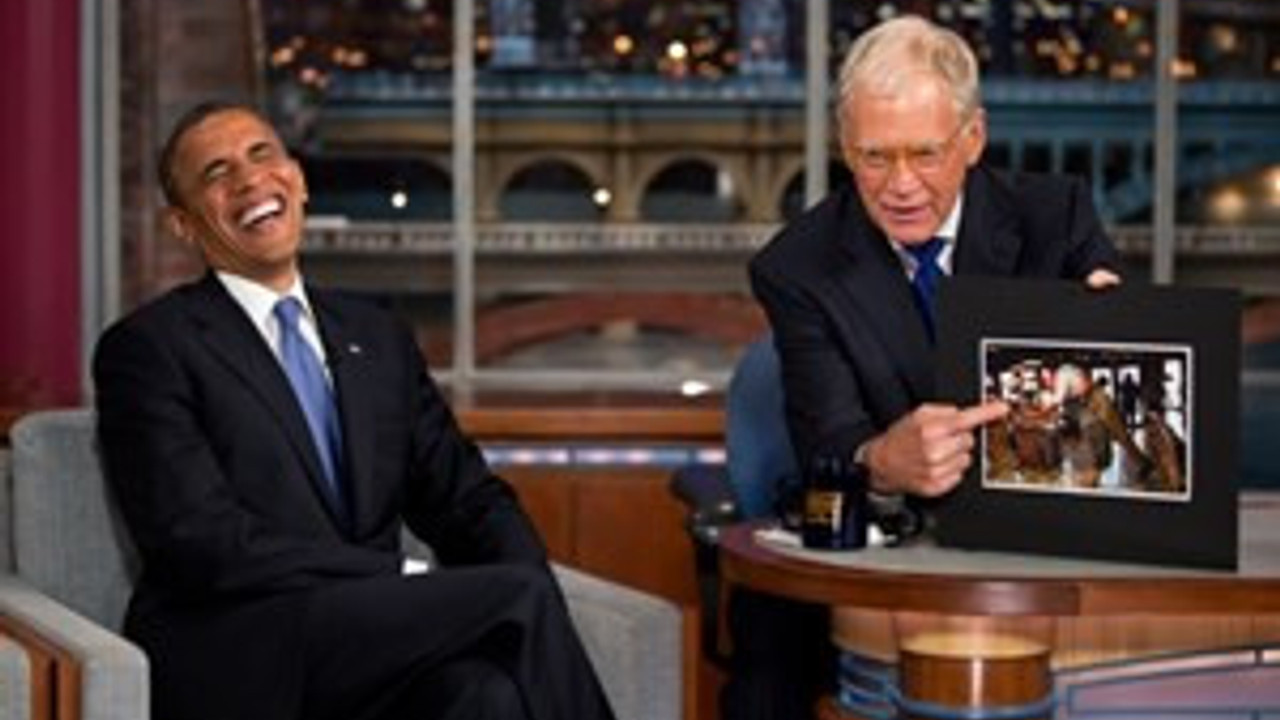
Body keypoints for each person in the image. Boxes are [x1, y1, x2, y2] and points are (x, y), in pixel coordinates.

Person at [93, 101, 617, 720]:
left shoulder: (377, 334)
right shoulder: (149, 347)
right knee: (517, 599)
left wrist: (520, 573)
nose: (250, 179)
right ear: (183, 225)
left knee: (485, 692)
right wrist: (397, 575)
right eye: (217, 173)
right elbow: (202, 543)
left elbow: (467, 498)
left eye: (262, 154)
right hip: (238, 642)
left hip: (367, 643)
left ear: (298, 180)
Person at [725, 15, 1123, 720]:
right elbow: (827, 442)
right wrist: (882, 461)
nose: (900, 185)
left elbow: (1110, 408)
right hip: (892, 550)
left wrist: (1120, 341)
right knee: (771, 654)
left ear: (973, 138)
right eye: (875, 158)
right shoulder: (797, 267)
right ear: (845, 146)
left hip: (1041, 546)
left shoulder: (1055, 218)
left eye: (925, 155)